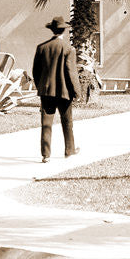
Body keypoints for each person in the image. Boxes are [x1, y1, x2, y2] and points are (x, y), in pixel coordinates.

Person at [33, 16, 82, 163]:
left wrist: (41, 87)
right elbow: (71, 72)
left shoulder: (41, 48)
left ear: (52, 30)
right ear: (64, 31)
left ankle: (45, 154)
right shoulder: (69, 49)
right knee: (67, 122)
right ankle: (69, 150)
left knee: (46, 123)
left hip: (46, 92)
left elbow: (36, 72)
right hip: (64, 92)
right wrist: (77, 92)